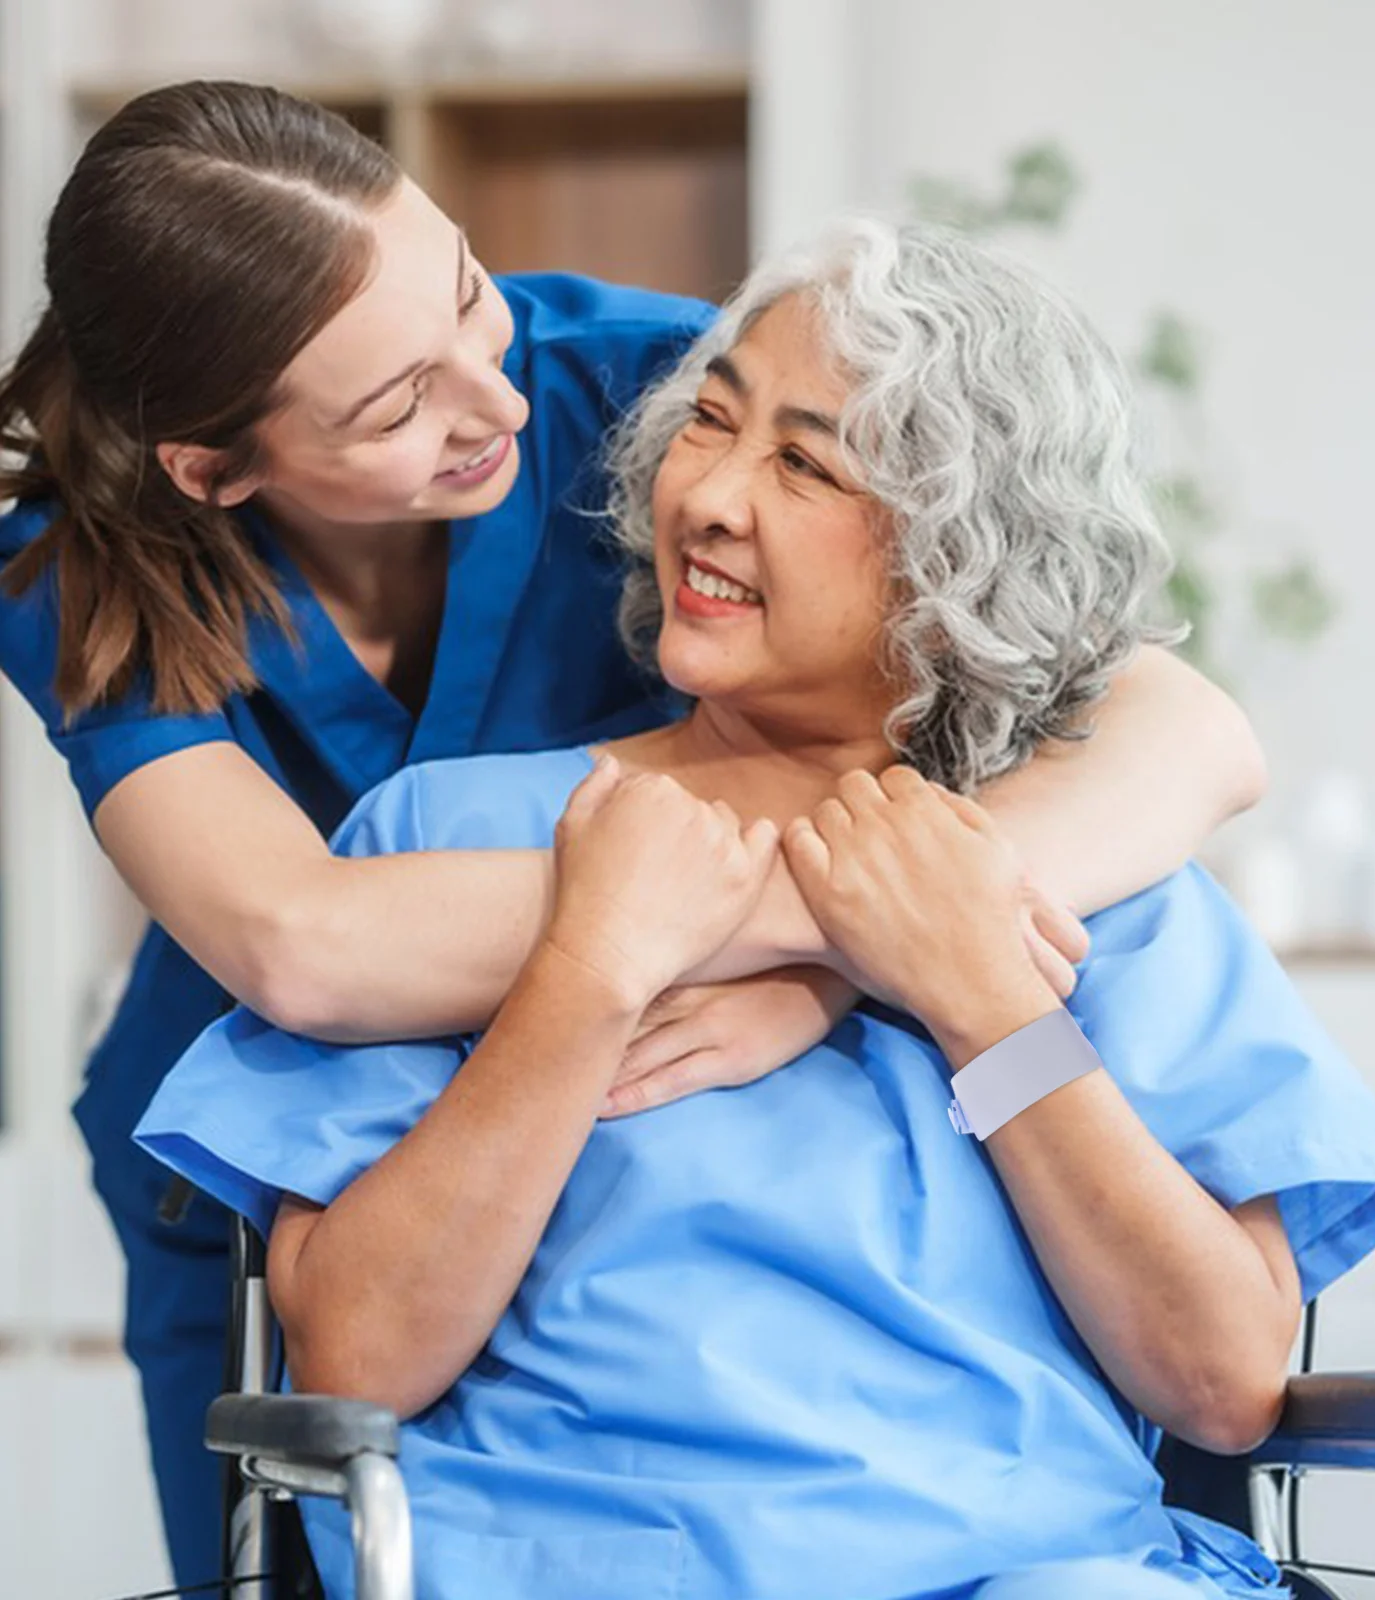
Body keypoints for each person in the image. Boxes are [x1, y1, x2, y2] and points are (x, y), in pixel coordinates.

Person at [0, 82, 1265, 1584]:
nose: (505, 404)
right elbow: (300, 942)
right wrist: (748, 924)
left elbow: (1181, 724)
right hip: (297, 1118)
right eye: (400, 407)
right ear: (215, 471)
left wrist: (891, 951)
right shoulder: (83, 562)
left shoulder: (664, 386)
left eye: (471, 299)